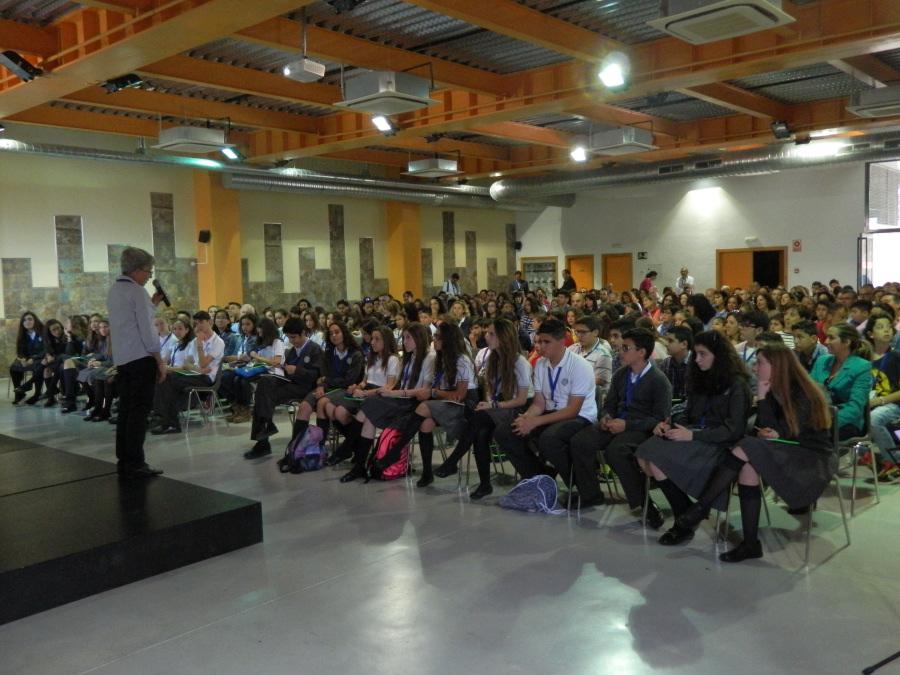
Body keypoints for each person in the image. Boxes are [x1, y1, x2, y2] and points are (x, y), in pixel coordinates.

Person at [676, 343, 834, 563]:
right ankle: (750, 544)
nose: (754, 367)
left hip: (811, 461)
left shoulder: (803, 393)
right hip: (787, 450)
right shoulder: (774, 389)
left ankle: (702, 505)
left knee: (746, 446)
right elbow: (765, 429)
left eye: (760, 363)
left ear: (777, 366)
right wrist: (766, 410)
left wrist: (761, 397)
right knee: (747, 465)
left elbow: (788, 433)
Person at [635, 330, 752, 544]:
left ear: (719, 356)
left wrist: (692, 435)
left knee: (656, 459)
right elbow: (690, 413)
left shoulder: (737, 385)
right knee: (645, 453)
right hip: (696, 436)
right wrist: (669, 424)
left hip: (719, 444)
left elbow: (734, 430)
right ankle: (688, 512)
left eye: (702, 354)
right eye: (696, 354)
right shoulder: (699, 377)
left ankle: (684, 520)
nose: (697, 359)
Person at [492, 319, 599, 504]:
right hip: (551, 414)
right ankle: (540, 477)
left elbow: (573, 410)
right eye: (538, 341)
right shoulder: (541, 364)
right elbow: (539, 403)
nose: (540, 346)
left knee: (550, 438)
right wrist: (526, 418)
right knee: (506, 431)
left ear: (561, 342)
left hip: (580, 417)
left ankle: (580, 486)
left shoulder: (580, 366)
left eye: (546, 342)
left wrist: (535, 422)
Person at [569, 328, 672, 516]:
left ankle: (643, 503)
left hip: (640, 429)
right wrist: (605, 416)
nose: (620, 351)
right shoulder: (621, 375)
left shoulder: (659, 381)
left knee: (616, 451)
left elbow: (660, 418)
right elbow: (609, 404)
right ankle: (590, 493)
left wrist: (628, 425)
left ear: (641, 352)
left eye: (626, 348)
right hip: (616, 423)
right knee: (580, 441)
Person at [433, 318, 532, 499]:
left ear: (504, 337)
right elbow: (489, 390)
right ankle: (485, 484)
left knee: (478, 418)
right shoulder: (492, 359)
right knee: (480, 433)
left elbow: (521, 399)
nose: (486, 337)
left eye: (491, 334)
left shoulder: (520, 363)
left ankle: (453, 461)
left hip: (517, 409)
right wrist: (489, 403)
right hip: (497, 408)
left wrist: (494, 405)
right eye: (487, 333)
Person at [370, 321, 479, 487]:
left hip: (464, 405)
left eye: (437, 336)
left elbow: (459, 395)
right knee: (425, 424)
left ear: (448, 339)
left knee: (423, 407)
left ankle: (395, 451)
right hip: (445, 401)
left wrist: (433, 393)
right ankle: (427, 472)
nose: (433, 339)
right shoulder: (442, 358)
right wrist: (433, 393)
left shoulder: (461, 360)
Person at [340, 322, 435, 483]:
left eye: (408, 338)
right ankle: (359, 466)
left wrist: (393, 392)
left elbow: (423, 392)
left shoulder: (429, 358)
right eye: (403, 338)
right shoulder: (410, 356)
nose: (404, 342)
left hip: (412, 403)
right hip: (402, 399)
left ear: (418, 339)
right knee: (369, 415)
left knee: (371, 405)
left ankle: (348, 448)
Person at [106, 247, 168, 478]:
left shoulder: (114, 291)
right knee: (139, 412)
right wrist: (159, 360)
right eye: (148, 271)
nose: (149, 276)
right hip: (142, 359)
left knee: (126, 410)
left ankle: (124, 459)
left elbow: (129, 322)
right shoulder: (137, 292)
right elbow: (147, 331)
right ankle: (136, 462)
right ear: (136, 269)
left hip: (124, 360)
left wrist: (151, 305)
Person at [243, 318, 324, 459]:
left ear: (303, 333)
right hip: (290, 382)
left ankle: (263, 441)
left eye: (294, 337)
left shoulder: (314, 349)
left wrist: (297, 370)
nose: (292, 341)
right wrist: (284, 368)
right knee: (264, 384)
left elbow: (318, 375)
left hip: (305, 387)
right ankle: (266, 429)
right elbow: (287, 370)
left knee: (264, 396)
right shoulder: (293, 351)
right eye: (289, 337)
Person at [323, 325, 400, 465]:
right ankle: (356, 445)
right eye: (372, 339)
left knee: (340, 411)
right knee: (329, 406)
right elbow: (365, 381)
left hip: (379, 395)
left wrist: (364, 393)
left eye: (377, 339)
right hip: (366, 391)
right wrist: (357, 387)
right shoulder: (372, 357)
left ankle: (347, 448)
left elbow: (389, 386)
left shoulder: (392, 359)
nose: (372, 342)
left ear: (386, 341)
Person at [290, 320, 365, 449]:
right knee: (304, 406)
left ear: (344, 334)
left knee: (322, 403)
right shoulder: (328, 354)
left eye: (337, 332)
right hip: (326, 388)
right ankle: (294, 448)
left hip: (345, 390)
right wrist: (321, 385)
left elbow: (348, 381)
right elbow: (323, 375)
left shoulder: (355, 354)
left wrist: (325, 381)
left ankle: (319, 447)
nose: (334, 336)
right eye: (331, 334)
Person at [150, 310, 225, 435]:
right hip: (196, 374)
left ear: (210, 322)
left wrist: (200, 346)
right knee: (163, 377)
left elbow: (203, 364)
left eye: (201, 322)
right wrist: (196, 368)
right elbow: (187, 363)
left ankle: (167, 421)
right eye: (196, 323)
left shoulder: (218, 342)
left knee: (168, 379)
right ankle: (164, 419)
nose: (198, 326)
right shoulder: (196, 341)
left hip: (207, 379)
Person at [811, 323, 871, 440]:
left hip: (845, 421)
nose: (826, 341)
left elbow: (855, 407)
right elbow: (808, 391)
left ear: (847, 342)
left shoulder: (862, 366)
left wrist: (829, 422)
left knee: (815, 436)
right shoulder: (821, 361)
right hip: (818, 417)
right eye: (827, 337)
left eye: (831, 338)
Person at [864, 315, 900, 477]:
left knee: (875, 418)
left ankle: (895, 461)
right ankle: (867, 457)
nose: (886, 330)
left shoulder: (896, 357)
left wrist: (879, 400)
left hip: (892, 404)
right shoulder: (864, 359)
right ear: (870, 334)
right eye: (880, 326)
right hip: (869, 402)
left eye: (888, 327)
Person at [568, 314, 613, 398]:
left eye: (583, 332)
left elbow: (598, 382)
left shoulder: (603, 355)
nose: (579, 336)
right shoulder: (571, 349)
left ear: (595, 332)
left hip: (593, 398)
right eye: (577, 332)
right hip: (571, 394)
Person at [10, 311, 46, 405]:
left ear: (35, 320)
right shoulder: (23, 334)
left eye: (30, 319)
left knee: (37, 367)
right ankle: (19, 393)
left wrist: (33, 359)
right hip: (27, 359)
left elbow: (46, 349)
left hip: (41, 358)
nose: (27, 322)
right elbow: (20, 351)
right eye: (24, 320)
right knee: (14, 367)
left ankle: (37, 393)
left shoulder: (43, 331)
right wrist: (23, 359)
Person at [660, 325, 693, 401]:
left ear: (684, 344)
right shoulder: (665, 364)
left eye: (670, 341)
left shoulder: (697, 363)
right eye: (666, 340)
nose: (666, 344)